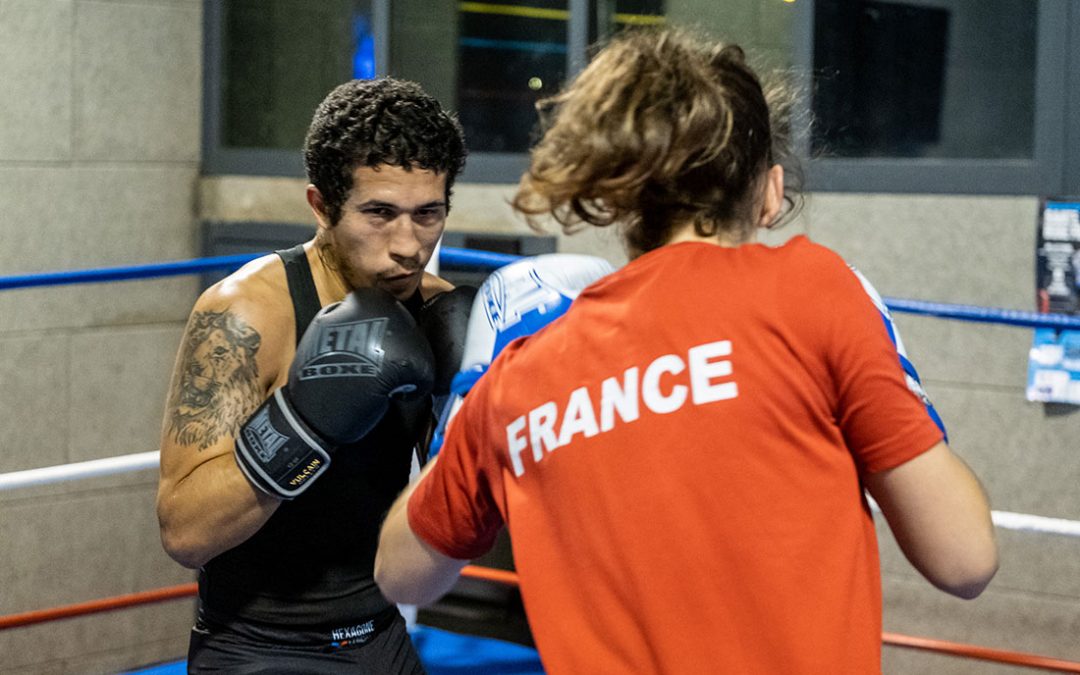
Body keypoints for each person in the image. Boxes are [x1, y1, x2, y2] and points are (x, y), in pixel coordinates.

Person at [374, 28, 999, 674]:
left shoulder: (518, 377)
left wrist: (466, 409)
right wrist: (899, 381)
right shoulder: (813, 296)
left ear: (622, 198)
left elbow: (400, 574)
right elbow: (964, 556)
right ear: (770, 191)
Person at [156, 77, 468, 673]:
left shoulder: (441, 315)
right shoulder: (247, 313)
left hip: (383, 638)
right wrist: (304, 420)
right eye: (379, 213)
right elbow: (185, 532)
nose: (408, 244)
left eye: (428, 214)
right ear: (321, 206)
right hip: (255, 646)